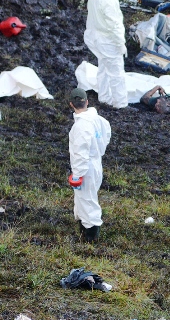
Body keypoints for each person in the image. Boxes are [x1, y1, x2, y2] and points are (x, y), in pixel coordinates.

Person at [67, 88, 112, 243]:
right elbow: (106, 134)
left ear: (71, 104)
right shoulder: (98, 120)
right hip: (95, 162)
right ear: (87, 102)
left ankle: (91, 237)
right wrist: (100, 149)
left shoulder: (81, 126)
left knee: (87, 200)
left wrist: (78, 175)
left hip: (86, 168)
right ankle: (84, 230)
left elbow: (81, 152)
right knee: (84, 199)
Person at [84, 0, 129, 109]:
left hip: (93, 36)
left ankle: (104, 98)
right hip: (107, 40)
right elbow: (114, 24)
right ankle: (121, 104)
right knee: (116, 72)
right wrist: (120, 43)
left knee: (103, 67)